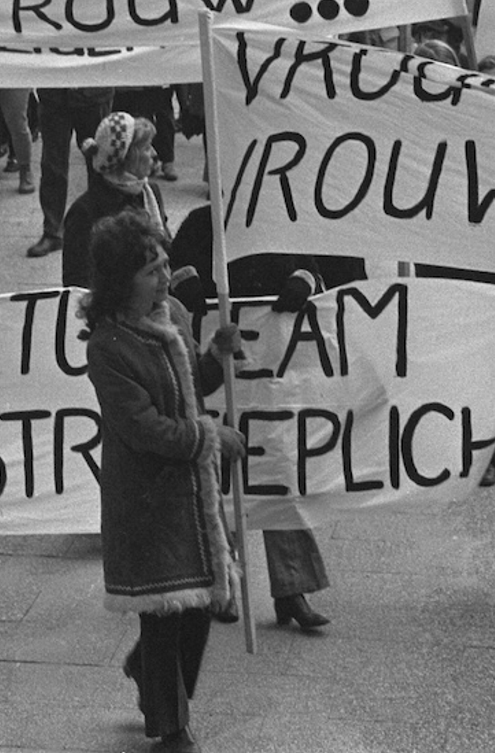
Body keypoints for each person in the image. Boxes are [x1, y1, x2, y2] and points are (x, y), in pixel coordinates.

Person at [82, 210, 244, 753]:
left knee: (196, 605)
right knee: (164, 609)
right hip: (146, 495)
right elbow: (144, 427)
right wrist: (210, 439)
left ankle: (150, 676)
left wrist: (216, 357)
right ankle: (171, 727)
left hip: (190, 490)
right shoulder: (107, 346)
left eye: (165, 265)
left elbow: (191, 386)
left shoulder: (173, 312)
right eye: (151, 269)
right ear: (120, 280)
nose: (163, 277)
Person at [167, 204, 348, 632]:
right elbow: (174, 270)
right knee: (219, 484)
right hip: (218, 372)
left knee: (277, 476)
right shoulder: (198, 223)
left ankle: (292, 590)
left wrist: (299, 284)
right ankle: (222, 584)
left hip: (270, 380)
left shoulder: (277, 217)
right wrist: (189, 285)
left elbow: (310, 269)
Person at [62, 111, 169, 290]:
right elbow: (76, 284)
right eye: (146, 148)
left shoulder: (150, 193)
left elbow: (165, 247)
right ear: (128, 157)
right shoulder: (85, 212)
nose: (154, 153)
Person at [26, 87, 114, 259]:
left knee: (99, 162)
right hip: (54, 95)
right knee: (52, 165)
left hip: (93, 93)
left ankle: (103, 228)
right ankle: (52, 230)